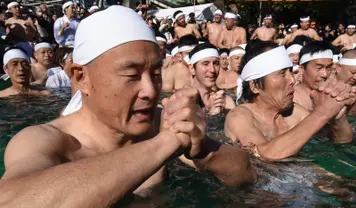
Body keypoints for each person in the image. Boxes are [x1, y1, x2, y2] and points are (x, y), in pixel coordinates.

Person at [0, 7, 256, 207]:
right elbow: (13, 202)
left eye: (155, 73)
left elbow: (246, 176)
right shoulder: (43, 141)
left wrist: (204, 150)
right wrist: (164, 143)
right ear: (81, 78)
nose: (150, 90)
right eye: (132, 75)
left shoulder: (162, 123)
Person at [224, 41, 353, 162]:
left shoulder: (294, 112)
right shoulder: (239, 116)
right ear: (255, 86)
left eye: (290, 72)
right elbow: (264, 154)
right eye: (282, 74)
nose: (292, 80)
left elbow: (340, 142)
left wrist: (338, 116)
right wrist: (323, 112)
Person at [293, 41, 354, 143]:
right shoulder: (291, 98)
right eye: (319, 68)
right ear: (302, 69)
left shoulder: (333, 94)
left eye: (329, 68)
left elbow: (345, 142)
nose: (325, 74)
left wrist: (340, 118)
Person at [188, 43, 235, 115]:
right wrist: (214, 114)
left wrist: (224, 111)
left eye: (216, 63)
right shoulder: (184, 101)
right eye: (205, 64)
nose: (212, 70)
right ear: (192, 69)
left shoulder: (226, 102)